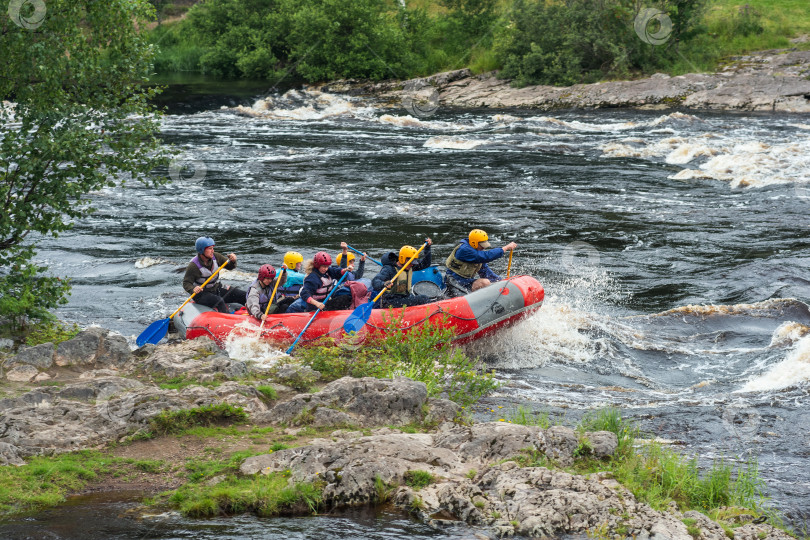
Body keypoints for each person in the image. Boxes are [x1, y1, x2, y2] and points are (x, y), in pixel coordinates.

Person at [183, 237, 247, 313]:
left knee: (243, 294)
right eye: (210, 248)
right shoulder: (193, 266)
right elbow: (186, 283)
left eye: (213, 248)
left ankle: (255, 314)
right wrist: (193, 289)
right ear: (202, 250)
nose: (212, 251)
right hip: (201, 294)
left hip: (215, 288)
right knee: (219, 301)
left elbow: (230, 267)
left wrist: (233, 261)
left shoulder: (216, 257)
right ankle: (226, 319)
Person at [444, 229, 517, 294]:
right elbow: (486, 256)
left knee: (486, 282)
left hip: (466, 282)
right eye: (482, 245)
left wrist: (502, 282)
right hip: (453, 282)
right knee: (485, 282)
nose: (484, 247)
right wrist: (505, 248)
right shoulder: (464, 250)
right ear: (474, 243)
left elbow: (485, 272)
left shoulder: (477, 253)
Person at [372, 238, 433, 308]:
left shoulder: (410, 266)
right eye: (411, 262)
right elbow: (375, 281)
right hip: (391, 301)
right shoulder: (389, 269)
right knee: (423, 299)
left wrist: (427, 248)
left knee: (425, 297)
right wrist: (384, 284)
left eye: (413, 262)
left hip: (405, 298)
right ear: (402, 258)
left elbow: (426, 264)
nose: (412, 265)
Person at [286, 251, 353, 313]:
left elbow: (336, 271)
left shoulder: (327, 271)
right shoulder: (313, 278)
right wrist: (317, 303)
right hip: (315, 307)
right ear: (317, 265)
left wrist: (346, 269)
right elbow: (304, 293)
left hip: (325, 302)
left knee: (345, 298)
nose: (326, 268)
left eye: (327, 266)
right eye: (324, 266)